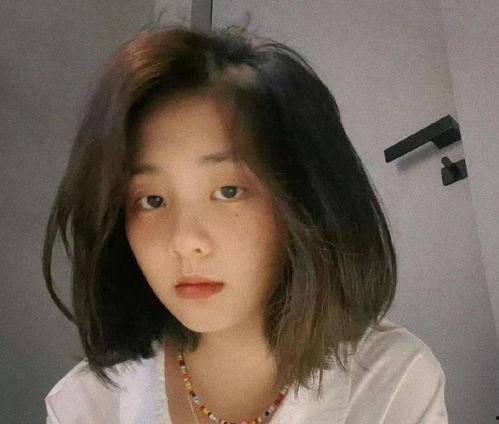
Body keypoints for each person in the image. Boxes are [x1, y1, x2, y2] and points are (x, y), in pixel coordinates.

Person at [43, 24, 448, 424]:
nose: (185, 241)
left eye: (228, 191)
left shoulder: (391, 382)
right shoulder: (86, 406)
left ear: (305, 199)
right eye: (152, 201)